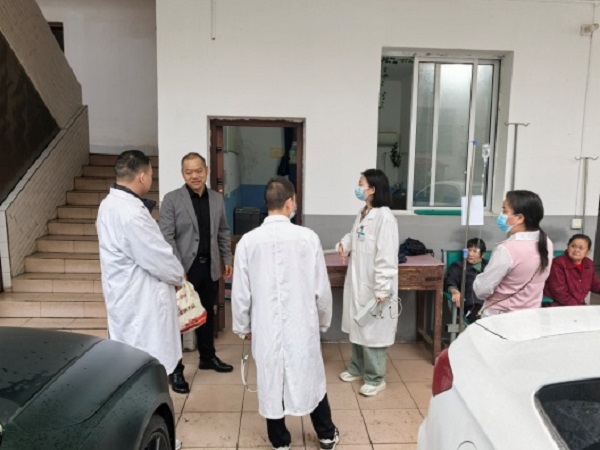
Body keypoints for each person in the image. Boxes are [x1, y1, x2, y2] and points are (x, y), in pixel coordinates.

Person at [231, 177, 339, 450]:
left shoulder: (247, 242)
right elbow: (321, 290)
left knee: (271, 380)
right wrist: (322, 322)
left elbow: (241, 292)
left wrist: (243, 326)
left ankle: (280, 442)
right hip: (301, 326)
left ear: (267, 203)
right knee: (311, 377)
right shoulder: (308, 238)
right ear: (290, 202)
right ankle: (326, 434)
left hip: (265, 326)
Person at [96, 150, 185, 388]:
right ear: (142, 176)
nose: (151, 179)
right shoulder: (132, 214)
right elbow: (158, 258)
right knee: (145, 359)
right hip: (140, 300)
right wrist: (179, 276)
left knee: (130, 357)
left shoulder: (108, 205)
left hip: (124, 294)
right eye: (152, 175)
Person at [159, 152, 234, 394]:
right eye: (189, 172)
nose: (194, 176)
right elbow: (166, 237)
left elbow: (223, 231)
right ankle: (175, 370)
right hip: (183, 270)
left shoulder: (216, 199)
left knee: (206, 314)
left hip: (209, 266)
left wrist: (226, 258)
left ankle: (207, 357)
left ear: (207, 171)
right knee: (178, 319)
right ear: (182, 174)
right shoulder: (172, 199)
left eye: (198, 170)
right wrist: (177, 270)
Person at [336, 169, 399, 397]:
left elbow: (386, 256)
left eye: (360, 183)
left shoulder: (385, 218)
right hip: (358, 281)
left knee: (373, 333)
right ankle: (357, 367)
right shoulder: (364, 212)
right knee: (358, 326)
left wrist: (382, 288)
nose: (358, 187)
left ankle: (375, 378)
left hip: (375, 286)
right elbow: (355, 235)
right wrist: (345, 244)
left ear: (372, 189)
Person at [473, 190, 553, 317]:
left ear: (519, 218)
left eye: (504, 211)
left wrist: (478, 280)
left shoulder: (506, 250)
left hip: (500, 317)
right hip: (530, 316)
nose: (501, 215)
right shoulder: (547, 243)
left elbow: (482, 290)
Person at [543, 234, 600, 306]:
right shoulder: (558, 263)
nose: (576, 250)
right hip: (557, 304)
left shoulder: (588, 263)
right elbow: (559, 292)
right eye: (573, 246)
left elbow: (594, 284)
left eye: (581, 248)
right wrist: (578, 307)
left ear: (587, 252)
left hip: (577, 304)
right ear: (568, 247)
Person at [444, 238, 488, 321]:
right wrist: (455, 291)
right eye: (469, 250)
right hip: (472, 305)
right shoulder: (458, 267)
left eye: (475, 251)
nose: (470, 254)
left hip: (492, 305)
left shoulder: (490, 266)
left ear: (482, 255)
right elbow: (450, 282)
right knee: (482, 321)